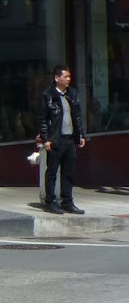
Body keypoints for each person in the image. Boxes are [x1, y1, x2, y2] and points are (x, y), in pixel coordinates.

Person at [37, 64, 87, 215]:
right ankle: (50, 201)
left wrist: (80, 135)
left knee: (69, 172)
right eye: (65, 76)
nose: (68, 79)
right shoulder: (48, 95)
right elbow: (42, 118)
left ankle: (67, 202)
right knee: (52, 171)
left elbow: (77, 116)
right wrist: (46, 138)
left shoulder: (72, 94)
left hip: (69, 138)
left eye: (69, 76)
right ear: (57, 78)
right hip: (55, 139)